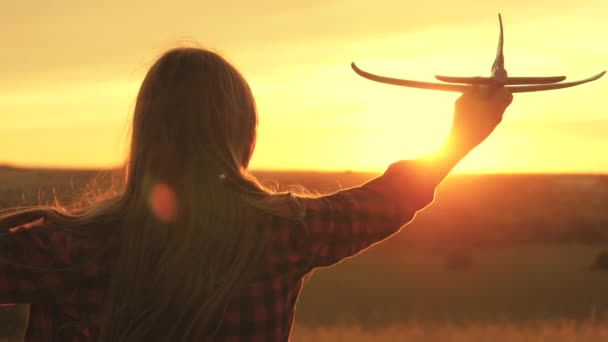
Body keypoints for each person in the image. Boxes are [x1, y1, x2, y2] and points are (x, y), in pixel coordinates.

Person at [0, 46, 513, 341]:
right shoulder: (280, 234)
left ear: (145, 133)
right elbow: (385, 202)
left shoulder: (67, 249)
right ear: (241, 136)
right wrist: (461, 138)